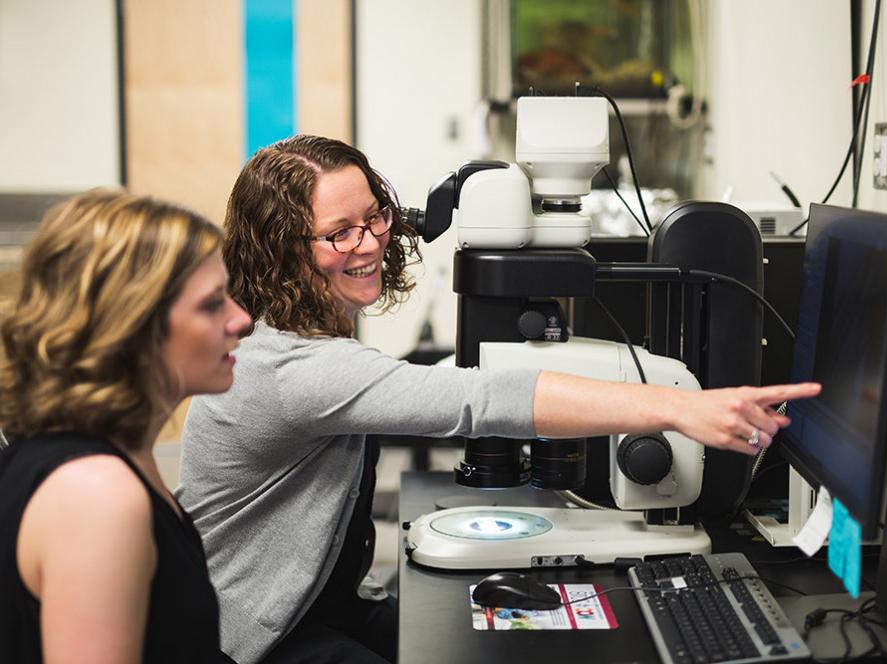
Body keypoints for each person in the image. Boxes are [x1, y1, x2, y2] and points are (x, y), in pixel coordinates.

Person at [177, 135, 820, 664]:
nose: (370, 242)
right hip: (252, 638)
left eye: (373, 216)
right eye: (338, 233)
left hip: (320, 600)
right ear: (282, 251)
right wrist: (678, 406)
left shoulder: (305, 326)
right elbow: (478, 399)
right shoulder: (291, 366)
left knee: (477, 635)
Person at [0, 190, 251, 663]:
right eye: (212, 304)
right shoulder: (97, 494)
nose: (241, 319)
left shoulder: (116, 457)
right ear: (133, 328)